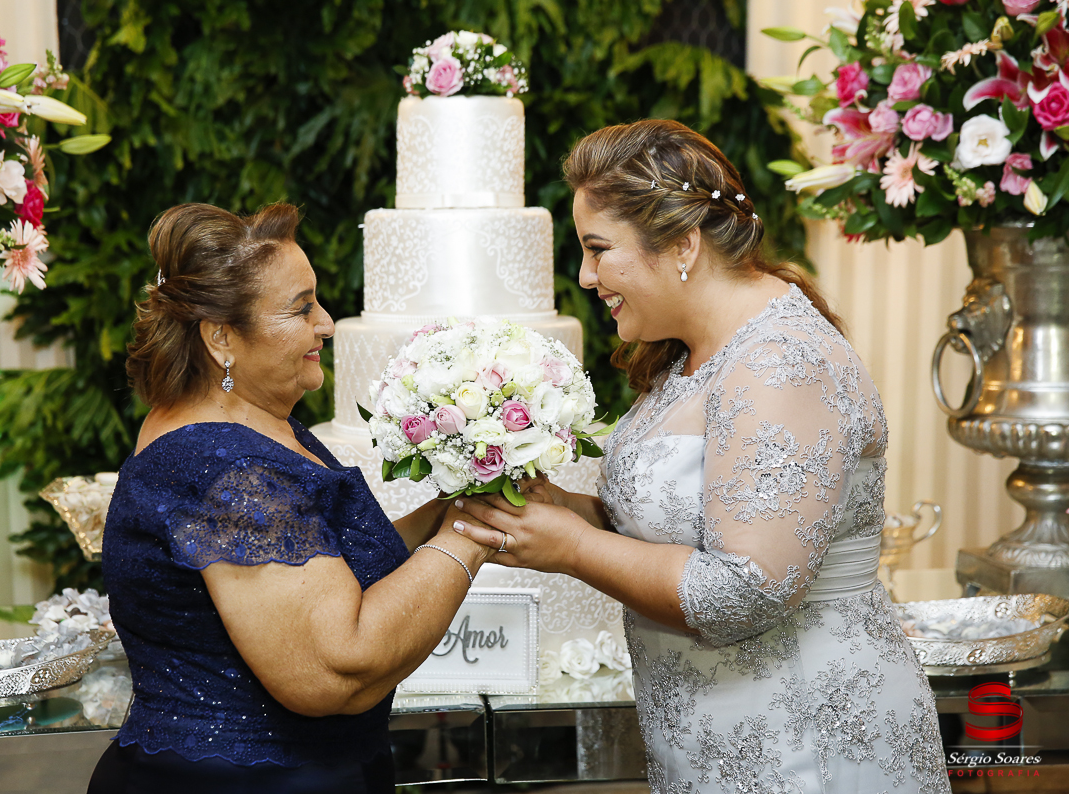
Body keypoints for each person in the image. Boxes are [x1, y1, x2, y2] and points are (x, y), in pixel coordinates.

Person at [452, 121, 951, 794]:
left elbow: (746, 589)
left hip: (806, 743)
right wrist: (564, 509)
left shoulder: (781, 361)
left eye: (598, 250)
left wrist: (572, 547)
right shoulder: (686, 354)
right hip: (714, 738)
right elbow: (678, 524)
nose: (586, 276)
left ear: (683, 244)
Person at [88, 202, 494, 794]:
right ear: (221, 337)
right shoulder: (225, 466)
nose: (325, 324)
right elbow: (334, 669)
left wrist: (452, 509)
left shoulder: (251, 425)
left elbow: (331, 566)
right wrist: (470, 536)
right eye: (302, 308)